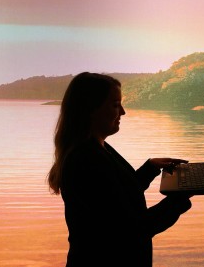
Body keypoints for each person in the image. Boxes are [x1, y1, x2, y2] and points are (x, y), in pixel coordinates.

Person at [47, 72, 192, 267]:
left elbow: (116, 194)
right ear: (91, 109)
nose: (122, 112)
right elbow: (132, 229)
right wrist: (180, 198)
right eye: (115, 105)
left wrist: (149, 169)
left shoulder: (95, 147)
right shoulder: (86, 160)